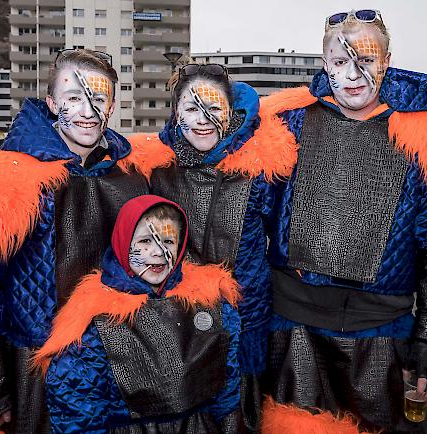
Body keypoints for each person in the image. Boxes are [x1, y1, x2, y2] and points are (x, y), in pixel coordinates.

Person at [259, 10, 427, 433]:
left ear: (387, 61)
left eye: (366, 61)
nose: (353, 75)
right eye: (340, 62)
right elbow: (248, 217)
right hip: (293, 333)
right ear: (324, 64)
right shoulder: (290, 124)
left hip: (380, 337)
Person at [0, 49, 148, 433]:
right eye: (73, 98)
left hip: (116, 371)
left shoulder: (131, 178)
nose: (88, 110)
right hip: (37, 375)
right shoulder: (6, 177)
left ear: (113, 105)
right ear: (52, 103)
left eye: (98, 99)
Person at [123, 59, 296, 431]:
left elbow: (286, 240)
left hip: (247, 316)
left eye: (214, 107)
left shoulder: (258, 168)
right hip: (184, 320)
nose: (203, 118)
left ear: (230, 111)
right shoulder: (158, 169)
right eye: (191, 107)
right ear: (175, 111)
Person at [33, 195, 242, 433]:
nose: (158, 252)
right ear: (123, 242)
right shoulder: (94, 323)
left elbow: (227, 383)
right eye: (145, 241)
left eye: (168, 241)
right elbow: (78, 412)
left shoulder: (208, 303)